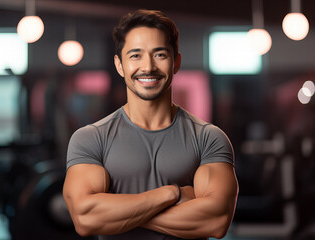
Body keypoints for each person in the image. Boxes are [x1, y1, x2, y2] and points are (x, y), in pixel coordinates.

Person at [63, 9, 238, 240]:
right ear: (119, 65)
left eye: (160, 55)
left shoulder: (209, 138)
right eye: (135, 55)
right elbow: (87, 219)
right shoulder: (91, 138)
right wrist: (171, 194)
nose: (148, 67)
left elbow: (215, 221)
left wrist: (120, 217)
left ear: (176, 62)